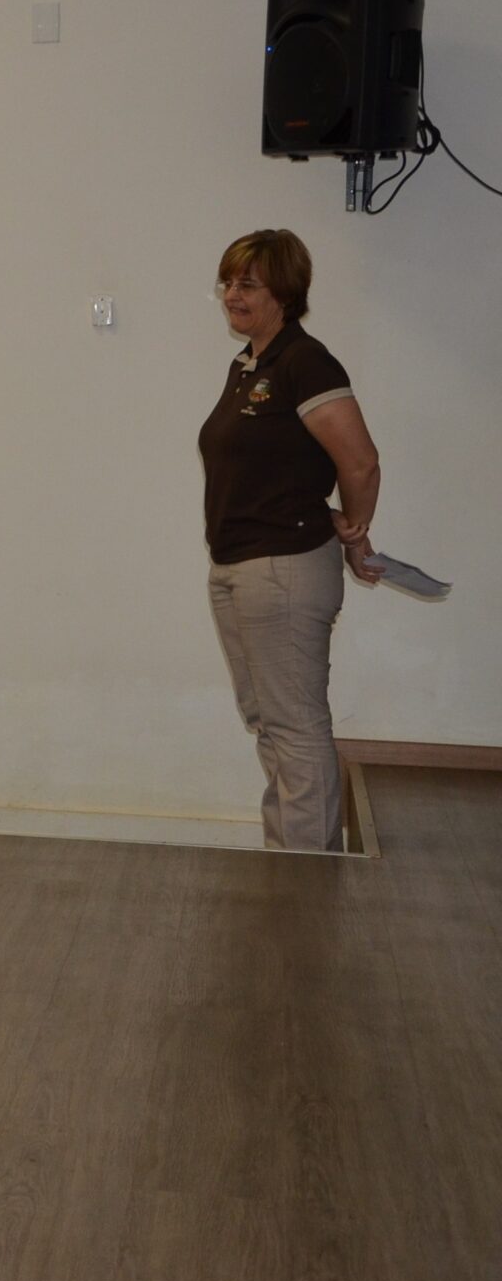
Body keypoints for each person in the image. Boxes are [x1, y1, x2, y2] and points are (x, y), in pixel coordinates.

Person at [200, 229, 383, 851]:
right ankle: (289, 867)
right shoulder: (252, 362)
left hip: (282, 572)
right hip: (238, 568)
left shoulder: (305, 362)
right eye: (228, 281)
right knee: (270, 726)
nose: (232, 293)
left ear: (285, 291)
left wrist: (355, 534)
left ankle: (306, 882)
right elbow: (282, 463)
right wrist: (324, 510)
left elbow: (359, 463)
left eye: (247, 283)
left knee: (295, 727)